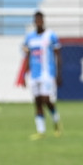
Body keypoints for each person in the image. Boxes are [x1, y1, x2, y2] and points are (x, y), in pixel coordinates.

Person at [22, 11, 61, 139]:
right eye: (36, 20)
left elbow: (58, 55)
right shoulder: (29, 38)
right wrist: (24, 74)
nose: (38, 22)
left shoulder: (51, 36)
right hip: (34, 74)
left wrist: (58, 74)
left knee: (46, 100)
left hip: (47, 74)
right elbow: (27, 57)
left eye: (40, 20)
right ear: (34, 22)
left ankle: (56, 121)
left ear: (43, 21)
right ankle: (41, 131)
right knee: (37, 102)